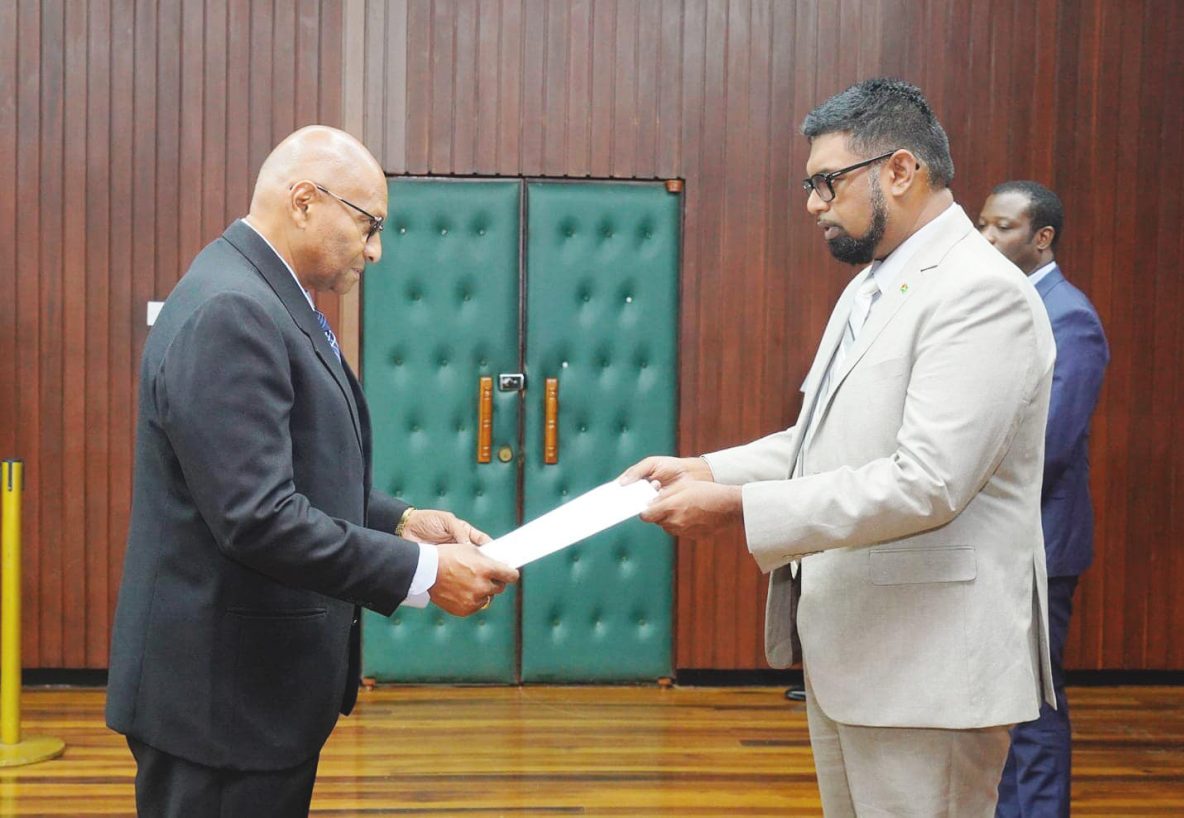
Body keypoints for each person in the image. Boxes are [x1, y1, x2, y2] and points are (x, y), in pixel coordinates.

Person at [623, 78, 1057, 816]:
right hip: (858, 651)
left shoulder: (981, 293)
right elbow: (821, 438)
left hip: (931, 667)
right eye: (809, 184)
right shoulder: (871, 285)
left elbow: (928, 482)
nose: (813, 203)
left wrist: (737, 507)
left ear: (900, 170)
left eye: (827, 182)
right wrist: (707, 467)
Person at [106, 126, 520, 817]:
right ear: (304, 201)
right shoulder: (233, 311)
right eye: (369, 225)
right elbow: (256, 517)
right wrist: (422, 571)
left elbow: (291, 472)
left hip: (244, 698)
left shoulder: (260, 293)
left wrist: (401, 520)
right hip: (220, 709)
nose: (376, 250)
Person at [978, 181, 1109, 818]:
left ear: (1041, 238)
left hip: (1041, 547)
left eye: (1001, 227)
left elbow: (1049, 444)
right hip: (1001, 540)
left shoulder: (1069, 315)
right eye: (981, 225)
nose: (986, 239)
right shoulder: (1007, 307)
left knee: (1032, 707)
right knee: (1004, 703)